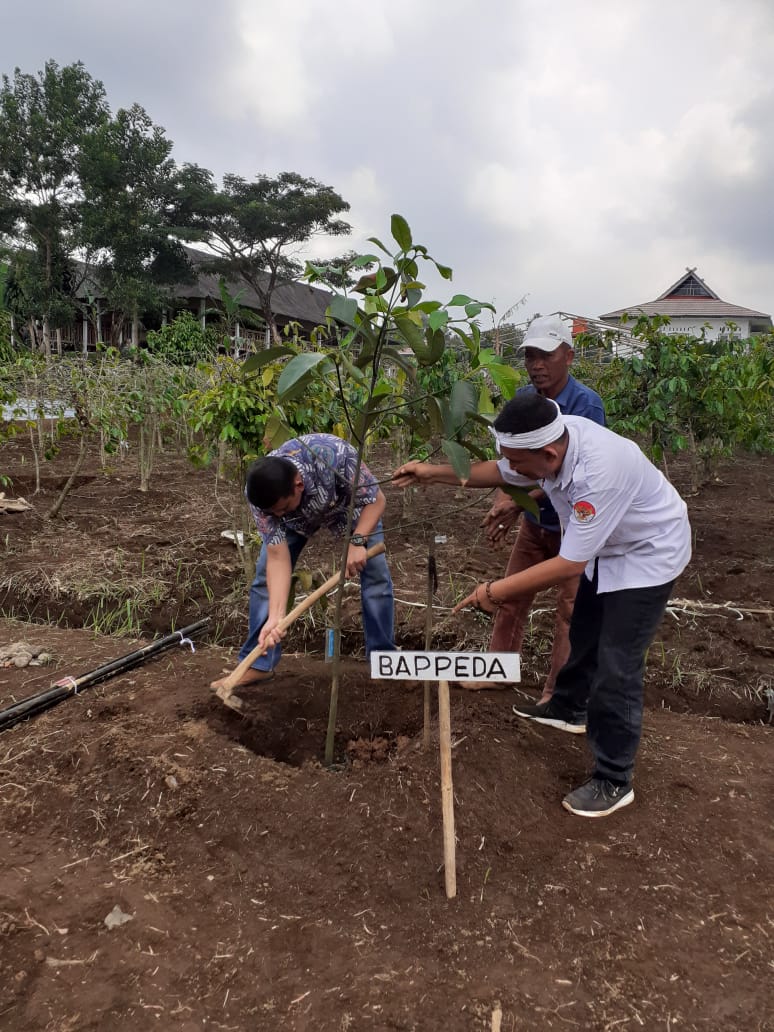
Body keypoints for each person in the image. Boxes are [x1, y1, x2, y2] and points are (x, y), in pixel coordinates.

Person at [393, 393, 691, 817]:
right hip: (608, 547)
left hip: (647, 553)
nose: (512, 473)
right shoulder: (551, 438)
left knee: (617, 665)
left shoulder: (599, 472)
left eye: (520, 464)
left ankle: (613, 778)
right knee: (586, 629)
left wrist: (495, 591)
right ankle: (567, 707)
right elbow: (501, 469)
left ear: (549, 454)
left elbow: (569, 565)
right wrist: (434, 473)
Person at [477, 315, 605, 700]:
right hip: (536, 524)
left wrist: (517, 504)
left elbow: (572, 474)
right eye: (530, 356)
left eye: (545, 356)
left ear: (569, 355)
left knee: (569, 612)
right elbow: (512, 462)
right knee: (510, 597)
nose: (536, 365)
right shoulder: (522, 403)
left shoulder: (586, 405)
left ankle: (556, 695)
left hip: (576, 530)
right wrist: (506, 498)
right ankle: (498, 672)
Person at [211, 433, 395, 690]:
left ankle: (383, 661)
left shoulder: (336, 456)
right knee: (264, 580)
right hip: (296, 522)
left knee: (375, 575)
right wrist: (276, 617)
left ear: (298, 485)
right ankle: (259, 664)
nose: (276, 515)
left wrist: (358, 542)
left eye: (281, 508)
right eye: (271, 512)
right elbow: (277, 555)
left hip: (347, 508)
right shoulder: (262, 496)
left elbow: (377, 500)